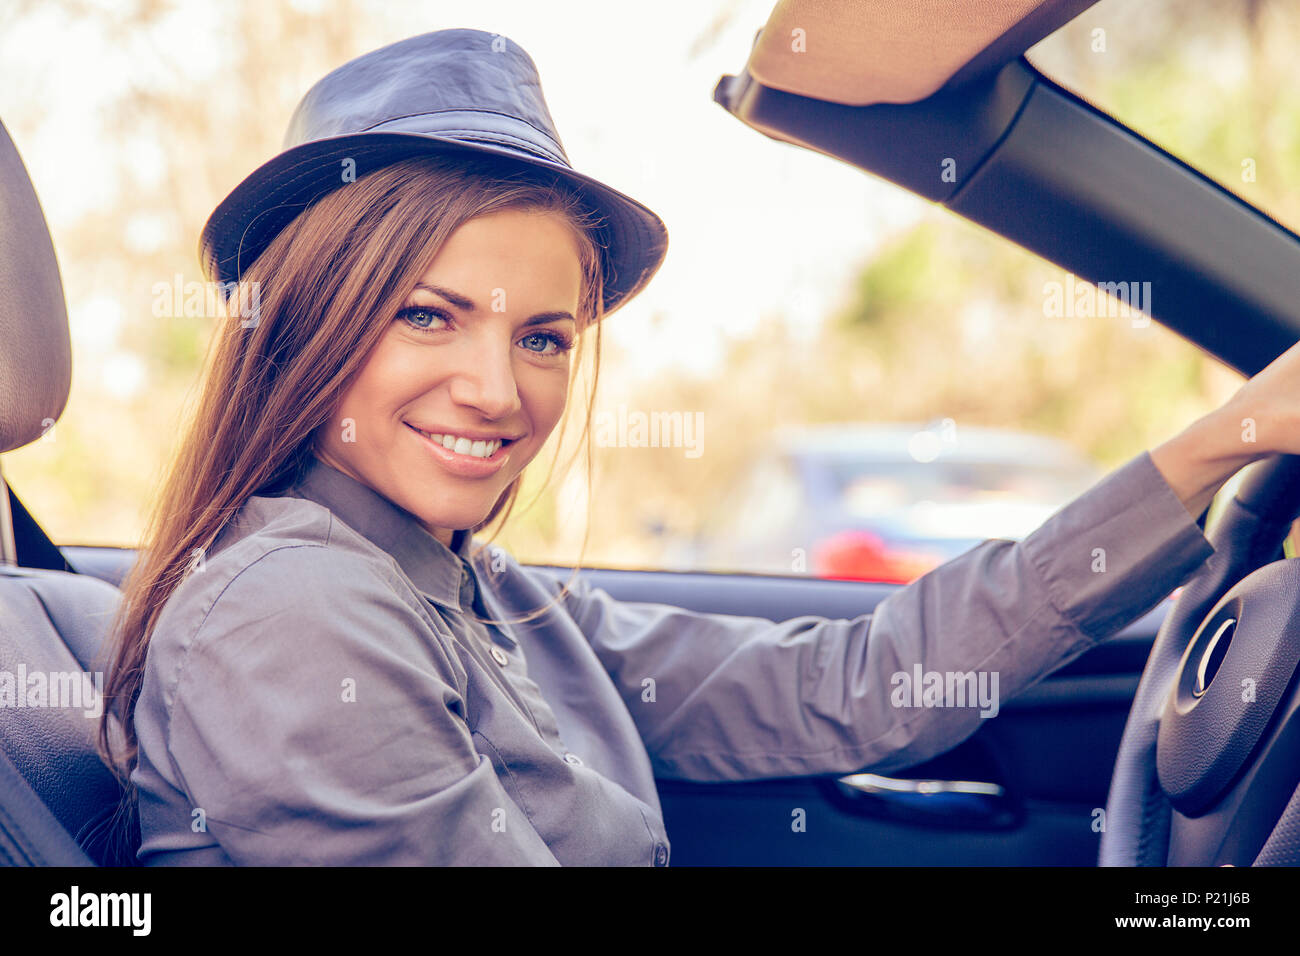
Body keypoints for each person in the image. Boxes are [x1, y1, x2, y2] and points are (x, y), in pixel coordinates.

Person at [95, 28, 1300, 866]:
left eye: (547, 336)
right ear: (308, 321)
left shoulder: (480, 597)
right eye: (428, 314)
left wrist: (1215, 446)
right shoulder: (291, 608)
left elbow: (857, 683)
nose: (498, 388)